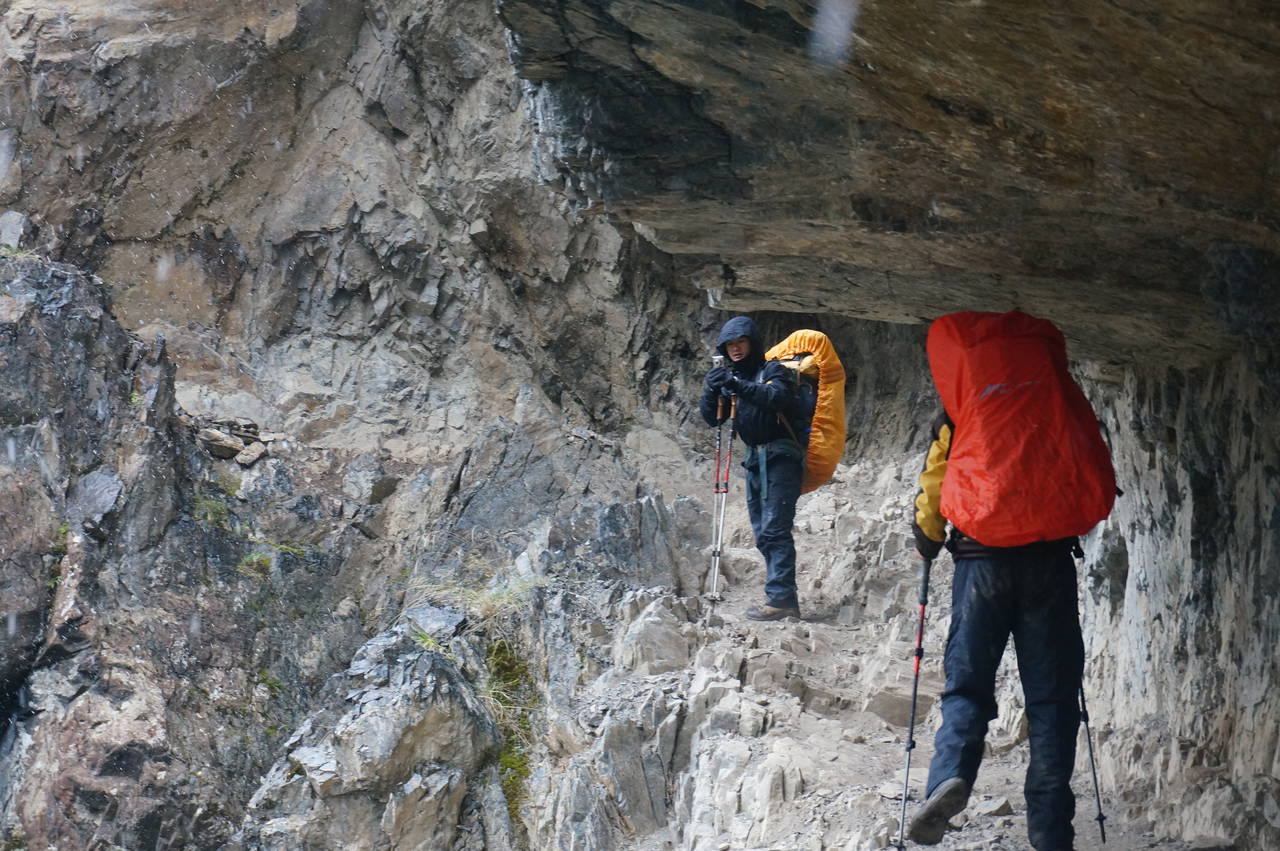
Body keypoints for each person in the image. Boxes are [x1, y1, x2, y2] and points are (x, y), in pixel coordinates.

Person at [906, 319, 1105, 850]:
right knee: (1053, 696)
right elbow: (1089, 463)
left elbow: (936, 483)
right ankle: (1049, 826)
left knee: (968, 683)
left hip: (981, 564)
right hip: (1048, 565)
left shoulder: (963, 412)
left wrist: (927, 537)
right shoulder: (1055, 402)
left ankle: (951, 774)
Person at [699, 316, 806, 621]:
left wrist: (735, 384)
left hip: (781, 458)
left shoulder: (772, 371)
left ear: (753, 343)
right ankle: (783, 598)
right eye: (730, 345)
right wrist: (711, 389)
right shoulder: (733, 378)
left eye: (740, 342)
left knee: (775, 530)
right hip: (755, 462)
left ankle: (781, 599)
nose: (735, 349)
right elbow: (713, 418)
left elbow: (776, 397)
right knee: (763, 533)